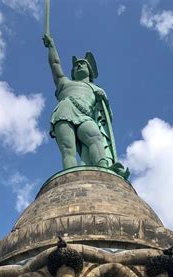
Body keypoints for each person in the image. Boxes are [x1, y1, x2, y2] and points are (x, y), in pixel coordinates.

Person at [42, 33, 129, 178]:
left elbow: (106, 117)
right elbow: (55, 64)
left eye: (82, 64)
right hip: (64, 111)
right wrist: (51, 46)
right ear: (72, 72)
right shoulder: (65, 83)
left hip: (86, 116)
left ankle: (104, 169)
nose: (79, 66)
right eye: (76, 65)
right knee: (68, 149)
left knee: (95, 137)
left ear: (90, 71)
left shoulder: (96, 89)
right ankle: (70, 179)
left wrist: (103, 101)